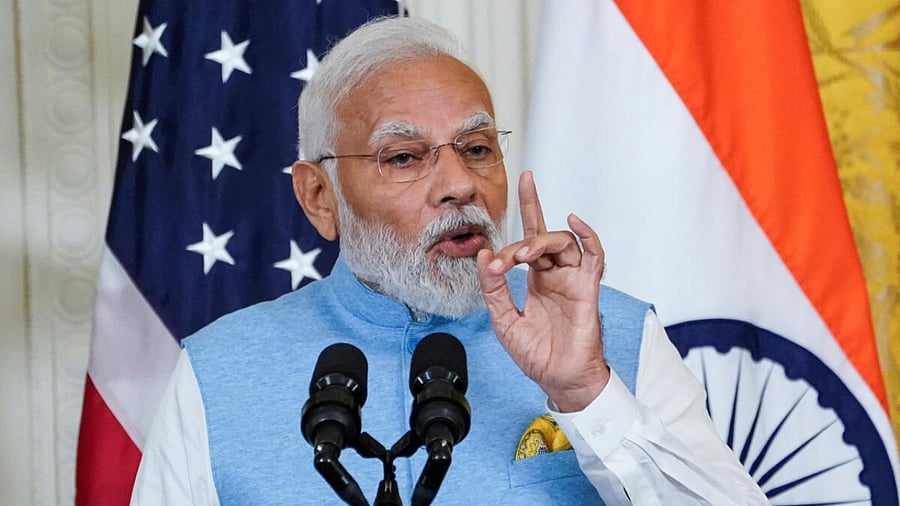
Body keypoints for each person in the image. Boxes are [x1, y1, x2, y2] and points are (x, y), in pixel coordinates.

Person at [131, 16, 768, 505]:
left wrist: (586, 393)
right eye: (404, 157)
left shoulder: (614, 336)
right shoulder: (216, 372)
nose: (460, 183)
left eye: (477, 147)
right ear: (319, 197)